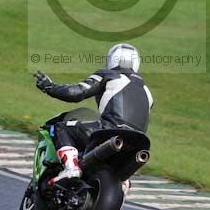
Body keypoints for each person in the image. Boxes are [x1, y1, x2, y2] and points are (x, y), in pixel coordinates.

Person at [35, 43, 153, 184]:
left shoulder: (110, 75)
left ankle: (71, 168)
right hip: (139, 143)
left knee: (61, 128)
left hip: (110, 131)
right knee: (122, 179)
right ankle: (122, 185)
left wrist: (49, 87)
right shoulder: (147, 90)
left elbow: (76, 93)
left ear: (112, 59)